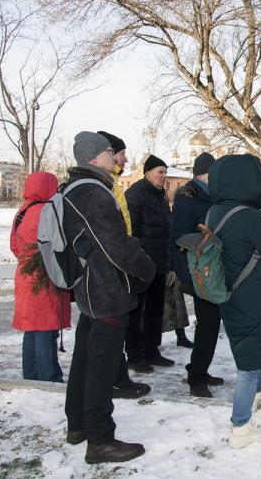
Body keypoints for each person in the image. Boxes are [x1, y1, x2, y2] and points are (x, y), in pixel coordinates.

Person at [62, 131, 155, 463]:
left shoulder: (71, 188)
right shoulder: (94, 192)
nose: (115, 156)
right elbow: (116, 245)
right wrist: (146, 267)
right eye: (109, 151)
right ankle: (100, 440)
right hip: (106, 291)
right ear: (93, 157)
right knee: (103, 365)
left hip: (89, 288)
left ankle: (77, 424)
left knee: (85, 359)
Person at [206, 154, 261, 449]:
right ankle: (240, 426)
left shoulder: (214, 213)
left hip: (231, 296)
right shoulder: (252, 217)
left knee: (254, 351)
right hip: (257, 298)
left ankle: (256, 399)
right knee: (250, 363)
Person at [97, 130, 151, 399]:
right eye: (120, 153)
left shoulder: (114, 184)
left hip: (121, 264)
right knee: (107, 333)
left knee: (117, 330)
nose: (125, 158)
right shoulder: (103, 187)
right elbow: (112, 234)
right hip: (112, 268)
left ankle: (120, 378)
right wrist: (136, 262)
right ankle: (113, 383)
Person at [169, 152, 225, 397]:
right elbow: (179, 237)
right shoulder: (187, 196)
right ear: (206, 174)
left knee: (210, 324)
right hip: (197, 271)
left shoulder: (210, 195)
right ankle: (196, 379)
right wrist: (186, 276)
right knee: (209, 323)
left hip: (209, 268)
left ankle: (198, 369)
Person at [10, 171, 71, 382]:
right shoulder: (48, 211)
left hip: (25, 276)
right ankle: (50, 378)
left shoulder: (22, 211)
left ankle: (31, 375)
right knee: (46, 329)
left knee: (32, 330)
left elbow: (14, 245)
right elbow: (59, 244)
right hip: (45, 277)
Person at [124, 154, 175, 372]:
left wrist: (169, 264)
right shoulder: (135, 194)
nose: (164, 176)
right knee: (137, 313)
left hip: (159, 264)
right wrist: (138, 262)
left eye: (165, 172)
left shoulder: (160, 197)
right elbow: (130, 231)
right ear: (147, 174)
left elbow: (167, 233)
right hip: (141, 266)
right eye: (160, 172)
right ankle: (135, 355)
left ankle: (152, 350)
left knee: (155, 311)